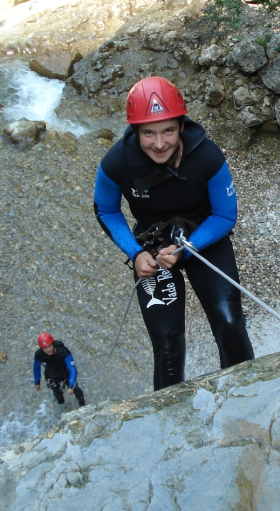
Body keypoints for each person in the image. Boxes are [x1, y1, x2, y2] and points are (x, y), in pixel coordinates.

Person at [93, 76, 255, 391]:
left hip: (203, 238)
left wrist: (188, 247)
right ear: (135, 131)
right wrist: (135, 253)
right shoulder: (117, 164)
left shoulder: (206, 156)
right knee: (167, 346)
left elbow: (224, 215)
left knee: (230, 324)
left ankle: (246, 398)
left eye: (168, 130)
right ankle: (171, 423)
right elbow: (106, 210)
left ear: (181, 125)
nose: (159, 143)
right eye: (148, 133)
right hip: (151, 247)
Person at [33, 332, 86, 406]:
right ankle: (62, 406)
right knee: (57, 393)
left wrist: (71, 385)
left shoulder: (63, 352)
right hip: (52, 377)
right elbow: (36, 367)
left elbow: (72, 369)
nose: (48, 350)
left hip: (66, 374)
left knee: (76, 390)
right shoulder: (39, 355)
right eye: (45, 348)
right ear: (41, 348)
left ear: (53, 344)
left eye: (49, 346)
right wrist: (37, 382)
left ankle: (83, 405)